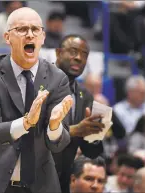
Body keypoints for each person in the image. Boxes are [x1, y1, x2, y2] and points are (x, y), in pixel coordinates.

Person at [0, 7, 73, 193]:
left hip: (40, 184)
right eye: (21, 29)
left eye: (35, 29)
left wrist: (54, 126)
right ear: (7, 37)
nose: (29, 35)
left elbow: (60, 143)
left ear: (43, 37)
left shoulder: (57, 78)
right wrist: (26, 123)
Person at [53, 34, 105, 193]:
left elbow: (91, 152)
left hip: (62, 181)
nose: (79, 58)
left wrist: (94, 135)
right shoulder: (38, 84)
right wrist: (76, 130)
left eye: (84, 55)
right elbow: (34, 132)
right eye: (73, 51)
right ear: (58, 53)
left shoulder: (85, 95)